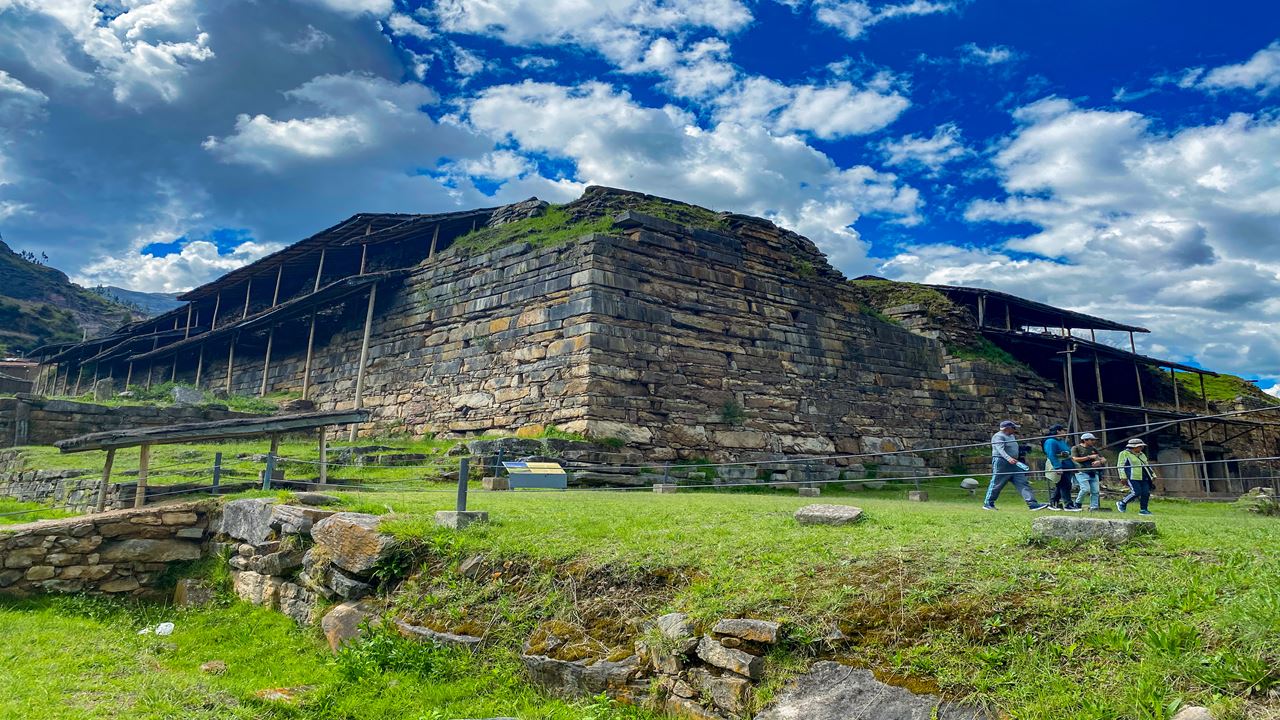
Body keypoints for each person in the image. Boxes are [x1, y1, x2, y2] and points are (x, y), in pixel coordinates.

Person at [983, 420, 1050, 511]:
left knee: (1022, 482)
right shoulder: (998, 436)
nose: (1015, 430)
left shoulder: (1011, 436)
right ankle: (988, 503)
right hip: (1002, 462)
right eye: (1013, 428)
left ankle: (1032, 504)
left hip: (1014, 463)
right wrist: (1008, 458)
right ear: (1007, 428)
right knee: (997, 483)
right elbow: (1000, 449)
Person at [1043, 424, 1080, 511]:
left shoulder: (1061, 441)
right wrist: (1057, 467)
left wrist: (1073, 466)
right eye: (1063, 430)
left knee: (1061, 485)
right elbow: (1051, 454)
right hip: (1059, 465)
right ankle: (1068, 504)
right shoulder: (1050, 441)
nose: (1065, 432)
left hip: (1066, 465)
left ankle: (1053, 503)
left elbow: (1067, 453)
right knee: (1065, 485)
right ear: (1058, 431)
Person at [1116, 438, 1157, 515]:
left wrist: (1152, 474)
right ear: (1134, 447)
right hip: (1132, 476)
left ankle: (1143, 509)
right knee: (1136, 492)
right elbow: (1120, 465)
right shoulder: (1124, 453)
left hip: (1144, 476)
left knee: (1146, 493)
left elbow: (1146, 465)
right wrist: (1123, 476)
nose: (1141, 448)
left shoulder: (1142, 454)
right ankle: (1122, 503)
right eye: (1140, 446)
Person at [1070, 432, 1105, 510]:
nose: (1093, 442)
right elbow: (1075, 458)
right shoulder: (1076, 448)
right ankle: (1078, 503)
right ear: (1085, 440)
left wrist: (1099, 462)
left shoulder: (1094, 449)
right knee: (1085, 489)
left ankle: (1094, 507)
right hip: (1081, 471)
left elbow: (1103, 458)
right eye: (1091, 440)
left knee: (1095, 491)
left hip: (1093, 471)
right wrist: (1089, 457)